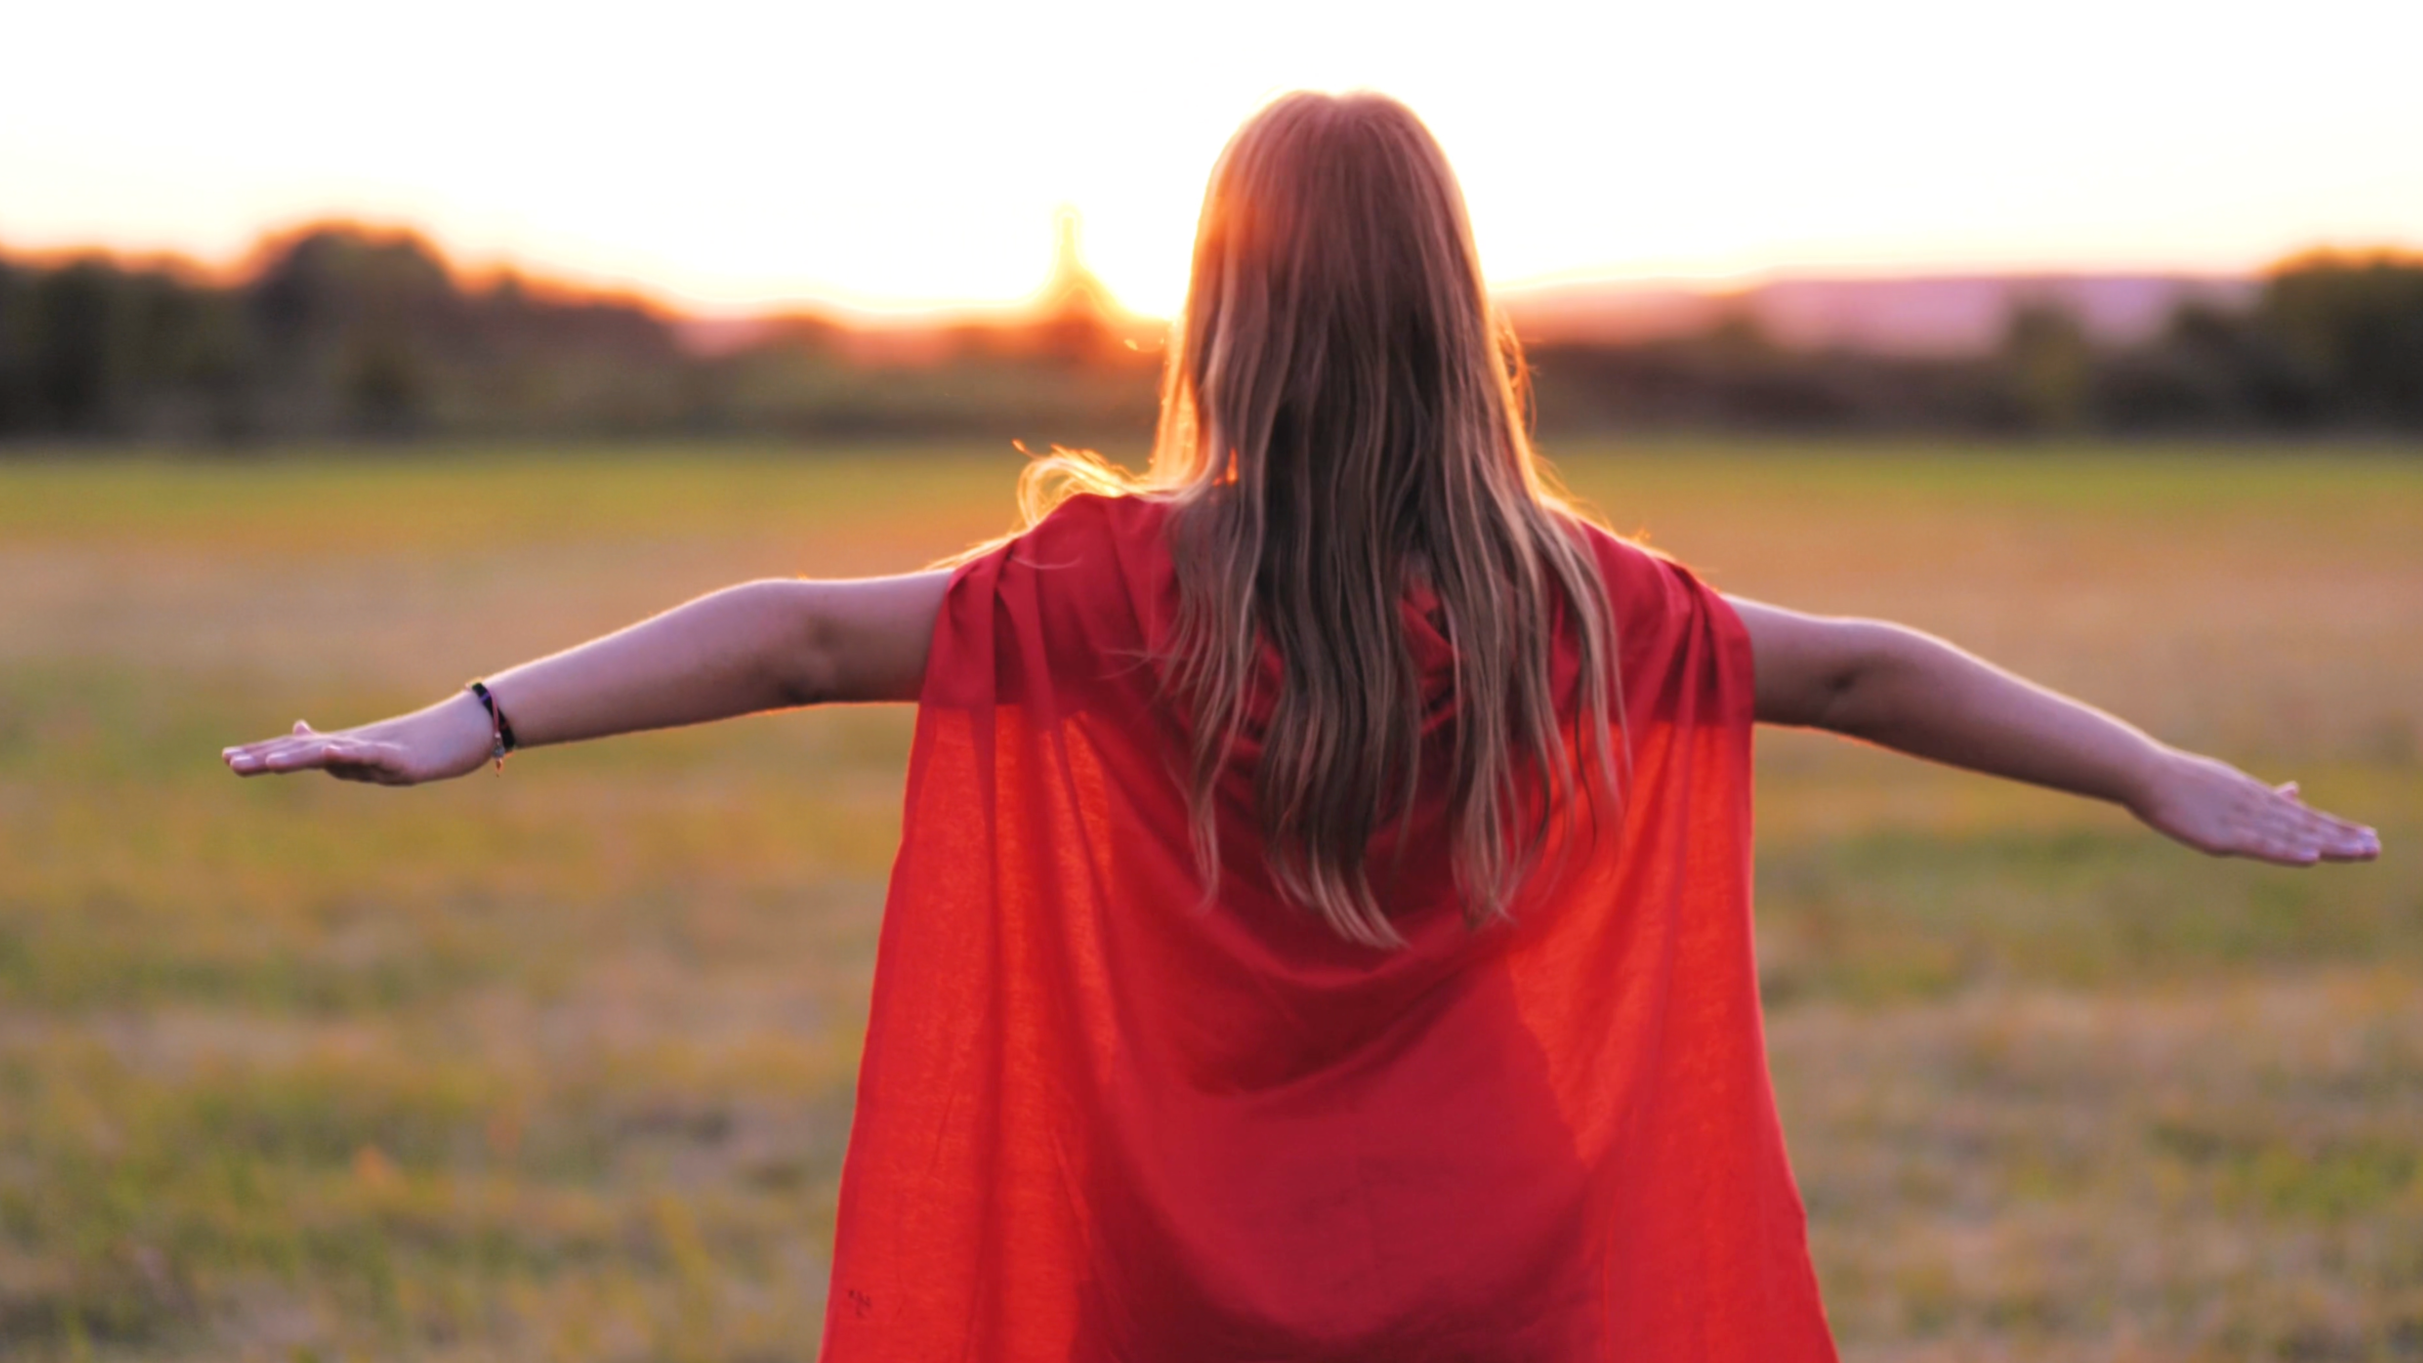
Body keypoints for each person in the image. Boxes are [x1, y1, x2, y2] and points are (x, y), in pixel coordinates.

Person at [222, 91, 2378, 1362]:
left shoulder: (1104, 591)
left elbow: (789, 631)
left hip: (1165, 1232)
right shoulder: (1571, 602)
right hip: (1506, 1238)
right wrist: (2148, 772)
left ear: (1221, 317)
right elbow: (1853, 669)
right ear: (1460, 318)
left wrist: (477, 719)